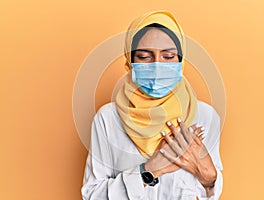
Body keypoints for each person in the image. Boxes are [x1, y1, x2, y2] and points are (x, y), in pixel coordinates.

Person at [81, 10, 223, 200]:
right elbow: (91, 195)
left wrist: (210, 178)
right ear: (129, 61)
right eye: (144, 56)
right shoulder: (108, 119)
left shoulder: (205, 116)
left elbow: (209, 191)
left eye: (168, 56)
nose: (157, 66)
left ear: (181, 59)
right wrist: (148, 171)